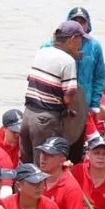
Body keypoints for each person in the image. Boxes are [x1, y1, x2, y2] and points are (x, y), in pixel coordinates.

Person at [21, 20, 82, 164]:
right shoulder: (68, 61)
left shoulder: (42, 52)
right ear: (73, 39)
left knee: (26, 163)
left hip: (28, 114)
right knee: (45, 164)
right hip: (46, 120)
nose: (81, 44)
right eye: (81, 39)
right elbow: (68, 98)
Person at [36, 136, 96, 209]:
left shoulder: (70, 187)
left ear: (62, 160)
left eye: (50, 155)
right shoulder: (34, 180)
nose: (43, 158)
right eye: (42, 153)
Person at [64, 7, 105, 123]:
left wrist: (95, 103)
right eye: (75, 21)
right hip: (61, 101)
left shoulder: (95, 46)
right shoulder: (56, 44)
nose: (78, 25)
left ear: (88, 25)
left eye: (82, 22)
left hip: (84, 103)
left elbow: (99, 77)